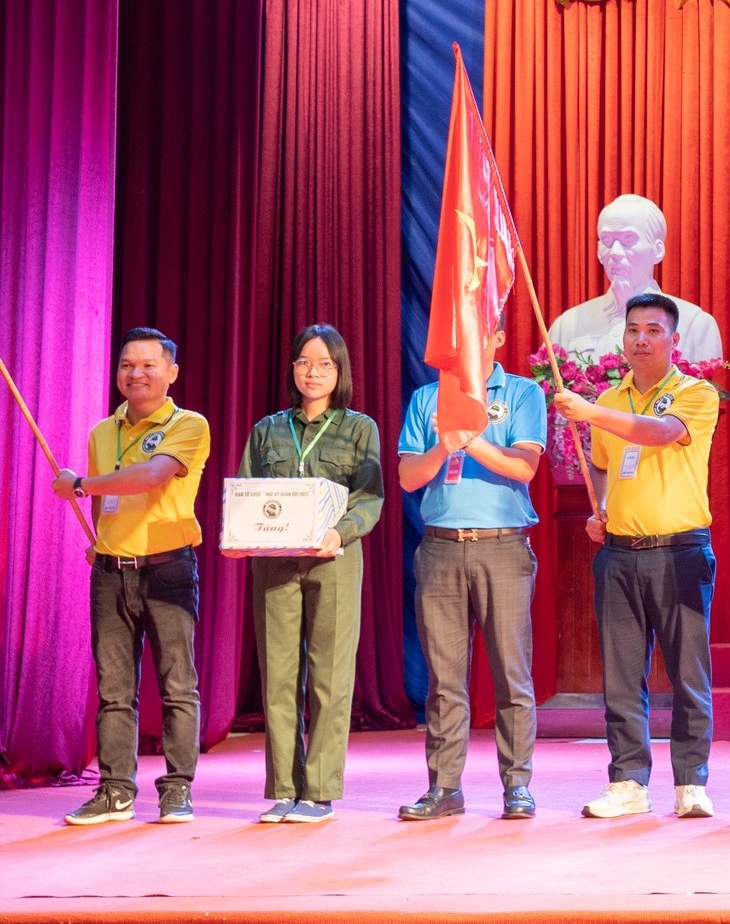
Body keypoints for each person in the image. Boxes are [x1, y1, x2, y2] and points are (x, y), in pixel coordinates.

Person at [551, 292, 721, 820]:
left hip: (680, 551)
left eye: (653, 330)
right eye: (633, 330)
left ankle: (691, 782)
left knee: (688, 674)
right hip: (619, 554)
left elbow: (662, 434)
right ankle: (627, 781)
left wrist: (590, 411)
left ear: (674, 340)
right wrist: (601, 508)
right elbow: (604, 465)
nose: (641, 339)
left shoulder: (696, 393)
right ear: (622, 338)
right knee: (622, 676)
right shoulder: (612, 396)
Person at [228, 325, 384, 824]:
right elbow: (247, 492)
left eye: (323, 364)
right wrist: (237, 535)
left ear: (340, 371)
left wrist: (341, 532)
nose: (312, 372)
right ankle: (283, 789)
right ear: (292, 368)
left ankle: (318, 792)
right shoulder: (268, 429)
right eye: (303, 362)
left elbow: (369, 497)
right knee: (278, 674)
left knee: (330, 675)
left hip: (334, 558)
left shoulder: (358, 428)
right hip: (274, 561)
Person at [54, 328, 211, 827]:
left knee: (177, 683)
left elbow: (150, 477)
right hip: (109, 572)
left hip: (168, 570)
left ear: (171, 372)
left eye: (147, 364)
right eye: (127, 364)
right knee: (114, 689)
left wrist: (79, 484)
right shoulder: (103, 431)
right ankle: (115, 790)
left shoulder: (190, 424)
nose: (136, 373)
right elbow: (104, 503)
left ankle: (177, 788)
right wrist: (100, 537)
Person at [393, 328, 547, 821]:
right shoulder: (427, 397)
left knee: (511, 674)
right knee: (444, 681)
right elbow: (408, 477)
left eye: (477, 332)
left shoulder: (521, 392)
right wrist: (444, 446)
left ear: (497, 335)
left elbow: (524, 468)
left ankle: (517, 786)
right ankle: (444, 788)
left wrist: (470, 438)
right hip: (440, 547)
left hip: (502, 547)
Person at [547, 193, 725, 364]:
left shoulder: (696, 325)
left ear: (657, 250)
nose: (615, 252)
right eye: (607, 241)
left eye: (628, 240)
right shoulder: (567, 325)